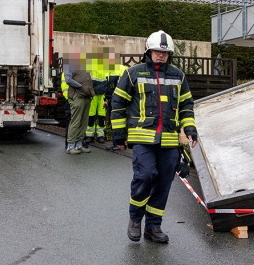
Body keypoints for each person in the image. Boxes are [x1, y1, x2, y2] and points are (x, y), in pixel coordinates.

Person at [110, 30, 197, 244]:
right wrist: (120, 135)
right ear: (148, 51)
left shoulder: (178, 76)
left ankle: (154, 226)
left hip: (168, 141)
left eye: (165, 52)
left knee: (164, 183)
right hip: (143, 139)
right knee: (145, 175)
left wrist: (190, 129)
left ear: (170, 55)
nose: (161, 55)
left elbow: (186, 105)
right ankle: (135, 219)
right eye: (157, 51)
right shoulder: (133, 73)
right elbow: (118, 103)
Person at [62, 51, 95, 155]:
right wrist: (81, 87)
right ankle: (70, 146)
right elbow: (68, 80)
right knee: (75, 121)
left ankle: (79, 144)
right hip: (77, 96)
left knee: (83, 121)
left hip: (85, 96)